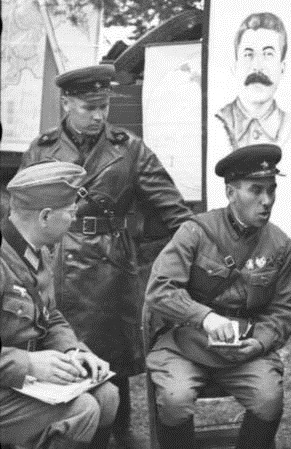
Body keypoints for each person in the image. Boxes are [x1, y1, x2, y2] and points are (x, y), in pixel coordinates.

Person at [18, 64, 193, 446]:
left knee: (110, 359)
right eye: (88, 107)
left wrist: (161, 259)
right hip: (55, 263)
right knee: (59, 349)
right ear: (66, 102)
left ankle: (119, 429)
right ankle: (63, 427)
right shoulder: (41, 149)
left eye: (104, 106)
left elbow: (174, 213)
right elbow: (22, 214)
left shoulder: (128, 148)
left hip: (110, 269)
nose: (98, 116)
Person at [145, 144, 291, 449]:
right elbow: (159, 290)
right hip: (187, 344)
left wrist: (260, 341)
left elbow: (285, 310)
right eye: (256, 190)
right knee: (175, 400)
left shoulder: (279, 244)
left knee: (269, 400)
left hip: (245, 351)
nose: (266, 201)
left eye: (271, 190)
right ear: (231, 193)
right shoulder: (195, 233)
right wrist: (205, 317)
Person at [1, 161, 119, 449]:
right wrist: (29, 363)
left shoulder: (36, 252)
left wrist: (73, 351)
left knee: (108, 396)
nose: (75, 217)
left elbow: (49, 316)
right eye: (69, 212)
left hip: (22, 378)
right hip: (9, 378)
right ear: (44, 216)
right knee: (82, 411)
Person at [215, 12, 291, 150]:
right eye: (248, 54)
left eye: (268, 54)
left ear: (282, 68)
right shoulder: (217, 123)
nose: (257, 65)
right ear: (235, 67)